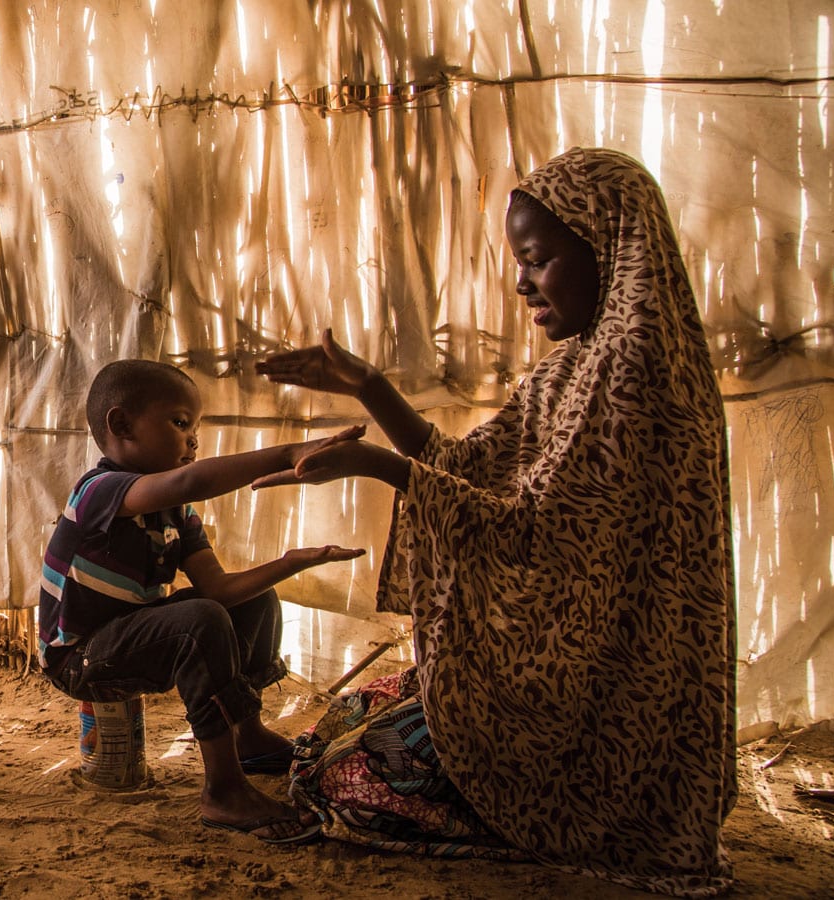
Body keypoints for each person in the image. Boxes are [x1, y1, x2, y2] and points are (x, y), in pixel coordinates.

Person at [257, 148, 735, 896]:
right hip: (568, 692)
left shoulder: (635, 380)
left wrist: (379, 466)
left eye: (538, 260)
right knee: (343, 718)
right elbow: (470, 471)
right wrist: (370, 387)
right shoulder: (576, 365)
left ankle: (561, 817)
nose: (521, 282)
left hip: (605, 722)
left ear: (606, 250)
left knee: (345, 777)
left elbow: (532, 539)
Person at [39, 358, 366, 844]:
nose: (193, 440)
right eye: (179, 423)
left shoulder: (176, 512)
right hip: (78, 658)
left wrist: (295, 561)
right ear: (121, 425)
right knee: (198, 620)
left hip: (127, 635)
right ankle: (224, 790)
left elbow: (219, 589)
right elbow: (191, 481)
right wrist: (288, 452)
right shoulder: (98, 492)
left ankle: (248, 737)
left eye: (196, 428)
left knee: (252, 602)